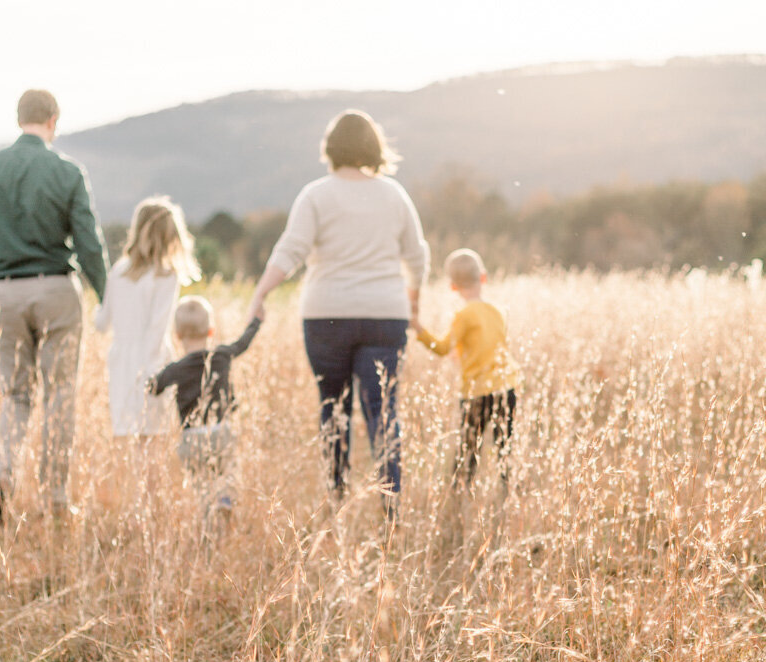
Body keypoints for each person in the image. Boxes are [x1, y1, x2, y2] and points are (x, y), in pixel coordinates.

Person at [247, 109, 429, 520]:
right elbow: (417, 256)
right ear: (374, 147)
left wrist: (261, 292)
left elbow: (291, 250)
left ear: (330, 148)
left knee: (333, 406)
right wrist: (413, 303)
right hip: (386, 315)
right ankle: (392, 509)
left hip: (326, 314)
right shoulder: (394, 194)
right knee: (383, 412)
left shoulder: (315, 194)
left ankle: (337, 500)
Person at [0, 89, 109, 526]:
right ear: (53, 120)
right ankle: (55, 500)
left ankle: (2, 483)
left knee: (16, 395)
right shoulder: (67, 172)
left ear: (18, 118)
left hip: (4, 293)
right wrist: (106, 293)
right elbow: (88, 242)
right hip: (57, 291)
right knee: (60, 394)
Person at [148, 296, 262, 531]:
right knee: (228, 470)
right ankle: (225, 499)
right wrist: (256, 321)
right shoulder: (220, 355)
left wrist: (147, 376)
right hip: (221, 430)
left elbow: (154, 387)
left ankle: (209, 517)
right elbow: (243, 342)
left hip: (191, 438)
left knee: (201, 485)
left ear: (177, 335)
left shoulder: (176, 369)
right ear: (210, 331)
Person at [410, 249, 520, 490]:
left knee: (468, 450)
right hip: (507, 388)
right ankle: (510, 493)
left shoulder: (463, 314)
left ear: (452, 287)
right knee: (506, 448)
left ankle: (459, 494)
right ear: (484, 277)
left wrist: (418, 328)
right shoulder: (498, 311)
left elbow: (441, 348)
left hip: (477, 392)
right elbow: (494, 346)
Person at [94, 196, 200, 442]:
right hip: (151, 364)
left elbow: (101, 323)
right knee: (152, 441)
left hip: (120, 363)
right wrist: (156, 377)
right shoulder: (165, 275)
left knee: (127, 440)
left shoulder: (119, 270)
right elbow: (157, 329)